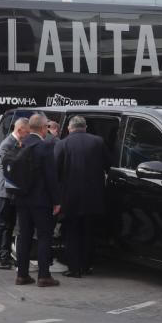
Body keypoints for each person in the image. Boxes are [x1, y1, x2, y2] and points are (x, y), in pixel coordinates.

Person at [55, 116, 111, 277]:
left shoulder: (62, 144)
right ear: (85, 127)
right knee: (89, 233)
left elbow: (55, 171)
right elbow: (109, 164)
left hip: (69, 199)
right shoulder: (98, 142)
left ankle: (74, 268)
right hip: (93, 197)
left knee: (71, 233)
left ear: (69, 128)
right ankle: (87, 266)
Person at [14, 114, 61, 287]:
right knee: (44, 236)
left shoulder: (19, 144)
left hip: (21, 198)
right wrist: (57, 201)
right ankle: (43, 276)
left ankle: (22, 275)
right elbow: (51, 177)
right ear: (43, 129)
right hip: (41, 201)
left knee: (24, 236)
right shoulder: (45, 147)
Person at [0, 117, 29, 269]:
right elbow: (7, 170)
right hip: (4, 191)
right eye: (27, 132)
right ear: (19, 130)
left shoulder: (17, 143)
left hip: (12, 191)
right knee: (1, 224)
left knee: (9, 225)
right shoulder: (7, 145)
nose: (28, 135)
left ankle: (5, 255)